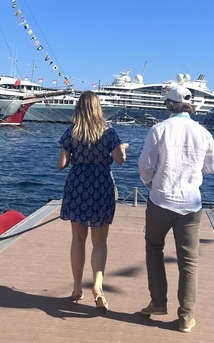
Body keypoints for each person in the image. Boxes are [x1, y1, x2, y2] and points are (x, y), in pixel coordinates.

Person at [138, 85, 214, 332]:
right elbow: (213, 167)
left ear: (168, 105)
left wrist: (150, 182)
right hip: (191, 204)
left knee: (154, 248)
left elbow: (145, 165)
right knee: (189, 261)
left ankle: (157, 302)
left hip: (161, 200)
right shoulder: (203, 132)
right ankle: (185, 316)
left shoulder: (159, 130)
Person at [58, 91, 129, 314]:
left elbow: (61, 164)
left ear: (79, 108)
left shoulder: (72, 132)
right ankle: (97, 286)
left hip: (78, 184)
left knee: (78, 238)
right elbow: (119, 161)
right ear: (98, 108)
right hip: (101, 185)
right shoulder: (108, 131)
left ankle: (77, 288)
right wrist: (122, 150)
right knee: (100, 241)